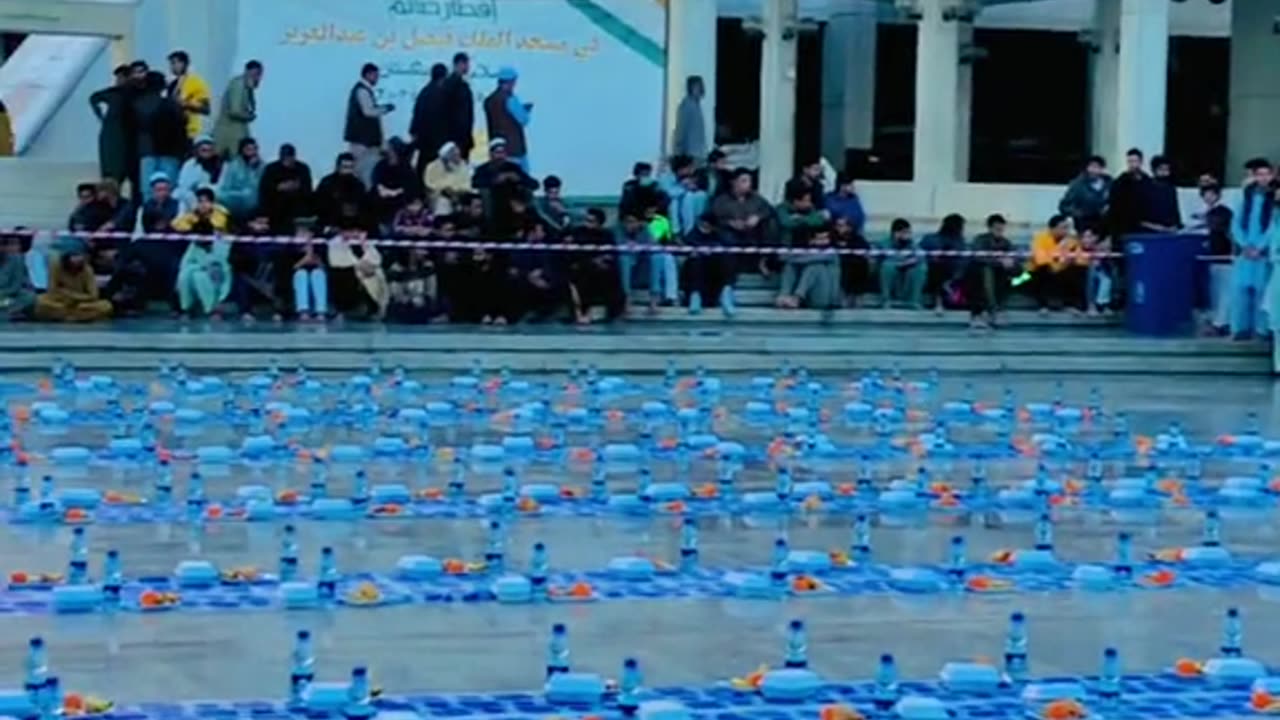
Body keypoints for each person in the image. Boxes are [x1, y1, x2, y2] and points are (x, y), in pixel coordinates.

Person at [1231, 158, 1275, 340]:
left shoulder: (1274, 197)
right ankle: (1240, 328)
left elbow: (1274, 225)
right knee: (1240, 290)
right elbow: (1236, 222)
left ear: (1272, 176)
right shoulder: (1246, 196)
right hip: (1246, 251)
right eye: (1260, 174)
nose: (1263, 178)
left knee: (1262, 292)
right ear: (1255, 176)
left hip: (1263, 253)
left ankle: (1261, 329)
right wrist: (1244, 245)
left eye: (1266, 174)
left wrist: (1261, 247)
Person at [711, 168, 773, 285]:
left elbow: (769, 210)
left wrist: (757, 217)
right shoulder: (721, 200)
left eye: (749, 181)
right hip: (731, 234)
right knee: (725, 237)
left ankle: (763, 261)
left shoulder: (756, 199)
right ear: (733, 182)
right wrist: (731, 223)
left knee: (769, 226)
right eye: (744, 181)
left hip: (753, 233)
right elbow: (714, 218)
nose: (748, 184)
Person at [132, 70, 187, 202]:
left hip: (146, 150)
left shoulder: (137, 104)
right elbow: (182, 124)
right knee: (169, 190)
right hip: (170, 151)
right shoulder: (172, 104)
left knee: (148, 192)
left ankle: (148, 217)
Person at [567, 208, 625, 323]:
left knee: (613, 277)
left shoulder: (606, 235)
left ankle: (611, 314)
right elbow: (575, 253)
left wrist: (600, 260)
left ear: (599, 223)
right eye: (586, 220)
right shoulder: (578, 232)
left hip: (602, 269)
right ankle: (581, 312)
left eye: (591, 221)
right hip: (582, 267)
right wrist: (593, 260)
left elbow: (610, 254)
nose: (587, 223)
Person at [1191, 183, 1234, 334]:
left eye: (1211, 194)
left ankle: (1222, 322)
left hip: (1224, 256)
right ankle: (1217, 321)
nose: (1208, 197)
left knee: (1224, 291)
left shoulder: (1223, 212)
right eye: (1205, 194)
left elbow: (1217, 226)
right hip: (1212, 258)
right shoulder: (1207, 214)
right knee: (1215, 291)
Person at [35, 240, 113, 323]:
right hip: (60, 302)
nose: (77, 259)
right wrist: (65, 297)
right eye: (74, 256)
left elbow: (94, 295)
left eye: (79, 256)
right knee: (40, 302)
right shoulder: (56, 266)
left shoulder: (87, 270)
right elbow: (51, 290)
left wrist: (72, 296)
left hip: (80, 304)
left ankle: (70, 316)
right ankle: (76, 317)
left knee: (106, 306)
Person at [776, 189, 828, 308]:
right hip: (792, 251)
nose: (809, 203)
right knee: (790, 266)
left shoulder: (830, 250)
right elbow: (786, 222)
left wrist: (799, 219)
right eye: (805, 200)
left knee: (813, 266)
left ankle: (797, 297)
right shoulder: (782, 209)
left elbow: (817, 221)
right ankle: (783, 295)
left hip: (822, 297)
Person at [344, 63, 395, 185]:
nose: (377, 79)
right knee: (365, 172)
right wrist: (385, 109)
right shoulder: (362, 91)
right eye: (375, 76)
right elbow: (368, 112)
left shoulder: (363, 90)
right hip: (362, 141)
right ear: (367, 74)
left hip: (364, 140)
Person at [327, 220, 388, 320]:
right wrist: (360, 265)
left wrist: (363, 246)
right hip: (345, 273)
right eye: (351, 231)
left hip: (366, 272)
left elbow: (376, 260)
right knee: (345, 278)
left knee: (378, 276)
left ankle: (377, 309)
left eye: (357, 231)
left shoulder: (365, 243)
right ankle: (343, 311)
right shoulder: (335, 243)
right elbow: (338, 262)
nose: (354, 234)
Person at [965, 213, 1016, 328]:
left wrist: (1010, 263)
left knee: (1024, 276)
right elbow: (978, 257)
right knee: (985, 273)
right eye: (997, 228)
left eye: (1002, 229)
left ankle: (997, 308)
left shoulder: (1006, 242)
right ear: (990, 227)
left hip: (1002, 274)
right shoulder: (980, 240)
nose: (1000, 231)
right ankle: (989, 310)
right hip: (978, 274)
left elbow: (1013, 256)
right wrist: (999, 261)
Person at [1027, 214, 1087, 313]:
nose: (1066, 230)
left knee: (1078, 270)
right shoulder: (1040, 238)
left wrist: (1067, 262)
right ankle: (1043, 305)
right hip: (1032, 273)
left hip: (1061, 271)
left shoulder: (1071, 240)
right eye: (1063, 227)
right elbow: (1042, 261)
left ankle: (1072, 305)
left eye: (1067, 227)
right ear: (1052, 229)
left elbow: (1082, 260)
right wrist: (1061, 256)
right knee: (1043, 270)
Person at [175, 221, 232, 319]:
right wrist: (201, 267)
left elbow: (226, 268)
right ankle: (186, 308)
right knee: (184, 275)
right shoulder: (194, 245)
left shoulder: (223, 244)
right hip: (198, 273)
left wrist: (208, 268)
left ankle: (213, 309)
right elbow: (185, 264)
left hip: (218, 278)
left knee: (199, 276)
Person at [88, 65, 132, 185]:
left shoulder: (133, 94)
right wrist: (99, 114)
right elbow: (94, 98)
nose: (118, 80)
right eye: (118, 78)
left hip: (126, 137)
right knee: (110, 174)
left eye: (122, 77)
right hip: (111, 137)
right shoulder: (113, 93)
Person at [483, 67, 532, 173]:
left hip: (496, 149)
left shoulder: (489, 101)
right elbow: (524, 119)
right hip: (515, 149)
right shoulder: (511, 99)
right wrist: (524, 110)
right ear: (511, 82)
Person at [258, 144, 313, 233]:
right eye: (284, 157)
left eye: (289, 157)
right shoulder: (271, 169)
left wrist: (294, 187)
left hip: (297, 206)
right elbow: (265, 190)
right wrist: (279, 188)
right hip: (276, 208)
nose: (287, 160)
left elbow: (307, 190)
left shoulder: (302, 168)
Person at [212, 60, 262, 158]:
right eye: (255, 74)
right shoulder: (238, 85)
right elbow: (235, 112)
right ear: (247, 72)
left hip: (235, 130)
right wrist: (249, 117)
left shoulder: (247, 88)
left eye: (258, 75)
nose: (257, 78)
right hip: (230, 131)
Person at [919, 214, 968, 311]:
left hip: (955, 274)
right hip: (933, 272)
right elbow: (920, 254)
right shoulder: (931, 239)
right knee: (939, 266)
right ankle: (939, 301)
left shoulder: (960, 242)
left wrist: (955, 277)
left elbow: (965, 260)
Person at [370, 138, 421, 229]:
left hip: (401, 201)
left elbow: (411, 188)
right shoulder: (381, 166)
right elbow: (377, 183)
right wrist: (384, 191)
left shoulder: (406, 168)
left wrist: (396, 192)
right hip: (383, 199)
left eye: (391, 149)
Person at [409, 62, 449, 177]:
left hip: (424, 139)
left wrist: (414, 133)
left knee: (423, 166)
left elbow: (417, 115)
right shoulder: (443, 94)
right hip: (437, 140)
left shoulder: (424, 92)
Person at [314, 153, 368, 231]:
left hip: (353, 226)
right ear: (338, 167)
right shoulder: (327, 183)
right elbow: (318, 205)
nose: (348, 171)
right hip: (328, 224)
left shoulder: (358, 185)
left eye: (351, 167)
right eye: (345, 167)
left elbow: (363, 207)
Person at [167, 50, 212, 142]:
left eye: (175, 63)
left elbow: (206, 109)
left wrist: (186, 104)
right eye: (171, 64)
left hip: (191, 132)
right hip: (173, 130)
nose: (173, 66)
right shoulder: (172, 84)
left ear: (185, 63)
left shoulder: (196, 81)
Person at [288, 219, 328, 321]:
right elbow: (291, 267)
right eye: (301, 231)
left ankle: (320, 311)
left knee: (318, 274)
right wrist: (306, 258)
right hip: (296, 274)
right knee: (301, 274)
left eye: (307, 231)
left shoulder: (319, 245)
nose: (304, 234)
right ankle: (303, 311)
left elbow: (323, 266)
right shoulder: (290, 246)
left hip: (316, 272)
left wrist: (312, 252)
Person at [878, 218, 925, 308]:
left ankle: (914, 301)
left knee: (920, 268)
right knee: (887, 266)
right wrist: (901, 262)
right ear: (895, 233)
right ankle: (886, 300)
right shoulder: (883, 243)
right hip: (889, 271)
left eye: (909, 233)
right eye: (904, 232)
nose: (907, 235)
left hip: (907, 270)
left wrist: (912, 261)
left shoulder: (911, 244)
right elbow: (886, 256)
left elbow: (920, 256)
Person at [1059, 155, 1112, 233]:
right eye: (1092, 167)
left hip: (1105, 224)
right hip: (1085, 225)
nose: (1094, 170)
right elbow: (1064, 206)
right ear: (1087, 168)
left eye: (1098, 167)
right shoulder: (1077, 184)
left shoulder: (1109, 183)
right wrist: (1080, 213)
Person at [615, 208, 654, 312]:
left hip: (641, 265)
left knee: (658, 258)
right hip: (622, 265)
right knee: (625, 258)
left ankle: (654, 299)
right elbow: (618, 246)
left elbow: (653, 245)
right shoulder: (617, 230)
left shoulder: (645, 230)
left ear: (639, 222)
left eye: (632, 222)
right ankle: (626, 298)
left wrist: (638, 246)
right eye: (627, 222)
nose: (629, 225)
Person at [216, 137, 264, 221]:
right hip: (236, 198)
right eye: (248, 149)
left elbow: (259, 186)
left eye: (254, 149)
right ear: (242, 150)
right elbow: (226, 187)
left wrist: (251, 169)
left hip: (255, 199)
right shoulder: (234, 165)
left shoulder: (262, 166)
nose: (252, 151)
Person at [1106, 148, 1150, 237]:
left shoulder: (1147, 180)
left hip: (1143, 224)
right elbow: (1114, 203)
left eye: (1135, 161)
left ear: (1141, 162)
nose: (1132, 164)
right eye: (1130, 161)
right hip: (1123, 224)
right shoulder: (1120, 181)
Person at [175, 136, 224, 211]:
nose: (206, 152)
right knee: (180, 200)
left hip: (213, 196)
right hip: (192, 197)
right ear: (197, 150)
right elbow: (183, 186)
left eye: (209, 150)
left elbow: (222, 186)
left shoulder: (221, 164)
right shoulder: (189, 164)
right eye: (203, 150)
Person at [441, 52, 475, 161]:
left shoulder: (456, 84)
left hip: (458, 138)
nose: (468, 67)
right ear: (459, 64)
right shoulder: (453, 85)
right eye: (466, 64)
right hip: (456, 139)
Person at [423, 141, 471, 216]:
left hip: (460, 196)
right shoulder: (432, 167)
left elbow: (467, 185)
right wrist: (446, 191)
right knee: (443, 203)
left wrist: (456, 193)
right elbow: (430, 185)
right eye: (453, 154)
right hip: (440, 196)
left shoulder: (463, 165)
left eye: (458, 153)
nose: (457, 156)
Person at [833, 215, 871, 304]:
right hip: (837, 265)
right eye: (837, 225)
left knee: (860, 265)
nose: (839, 228)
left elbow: (866, 251)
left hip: (856, 266)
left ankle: (857, 296)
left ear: (849, 227)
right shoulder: (832, 238)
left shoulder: (857, 238)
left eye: (842, 226)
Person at [1141, 155, 1182, 232]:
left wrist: (1175, 226)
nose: (1164, 172)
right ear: (1154, 170)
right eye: (1161, 169)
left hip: (1169, 232)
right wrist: (1155, 227)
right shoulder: (1144, 187)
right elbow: (1140, 217)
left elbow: (1175, 211)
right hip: (1149, 231)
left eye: (1167, 170)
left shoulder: (1171, 188)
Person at [0, 233, 36, 320]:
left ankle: (7, 313)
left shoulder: (17, 260)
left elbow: (16, 285)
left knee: (29, 296)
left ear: (4, 247)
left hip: (9, 295)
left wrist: (2, 294)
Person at [672, 75, 707, 160]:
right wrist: (678, 153)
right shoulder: (687, 105)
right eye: (695, 86)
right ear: (690, 88)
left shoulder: (697, 105)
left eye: (700, 86)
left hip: (699, 154)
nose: (698, 89)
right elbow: (680, 129)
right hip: (689, 155)